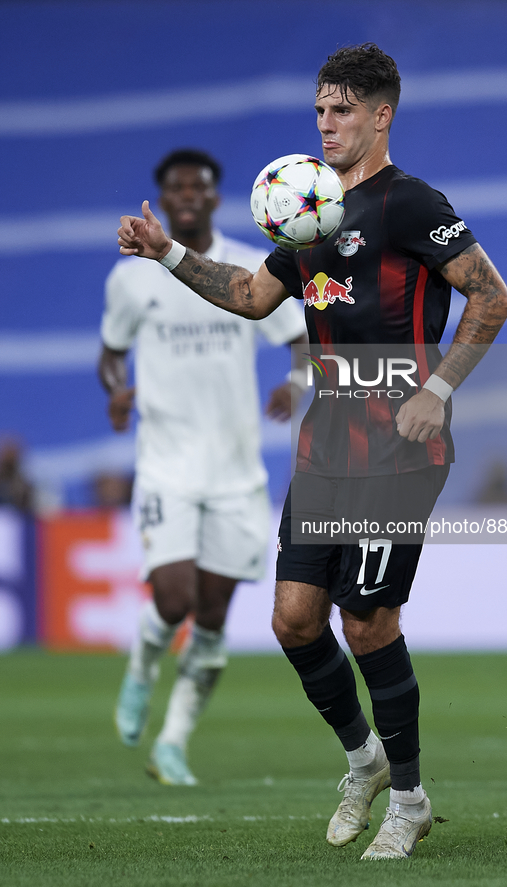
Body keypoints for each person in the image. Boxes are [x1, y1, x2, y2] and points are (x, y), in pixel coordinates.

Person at [116, 45, 507, 860]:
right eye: (320, 110)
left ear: (380, 116)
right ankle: (362, 760)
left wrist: (437, 391)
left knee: (367, 622)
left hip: (401, 439)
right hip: (326, 436)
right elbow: (253, 297)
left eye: (342, 110)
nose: (326, 123)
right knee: (295, 619)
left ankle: (406, 800)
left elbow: (490, 294)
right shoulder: (304, 211)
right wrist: (168, 253)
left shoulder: (409, 204)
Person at [99, 148, 307, 786]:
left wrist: (296, 383)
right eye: (176, 187)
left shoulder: (245, 267)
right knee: (174, 596)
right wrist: (116, 391)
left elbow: (300, 341)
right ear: (164, 198)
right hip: (166, 465)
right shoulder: (131, 279)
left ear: (216, 197)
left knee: (213, 615)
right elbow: (110, 354)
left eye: (199, 186)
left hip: (236, 473)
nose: (188, 195)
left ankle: (173, 743)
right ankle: (141, 671)